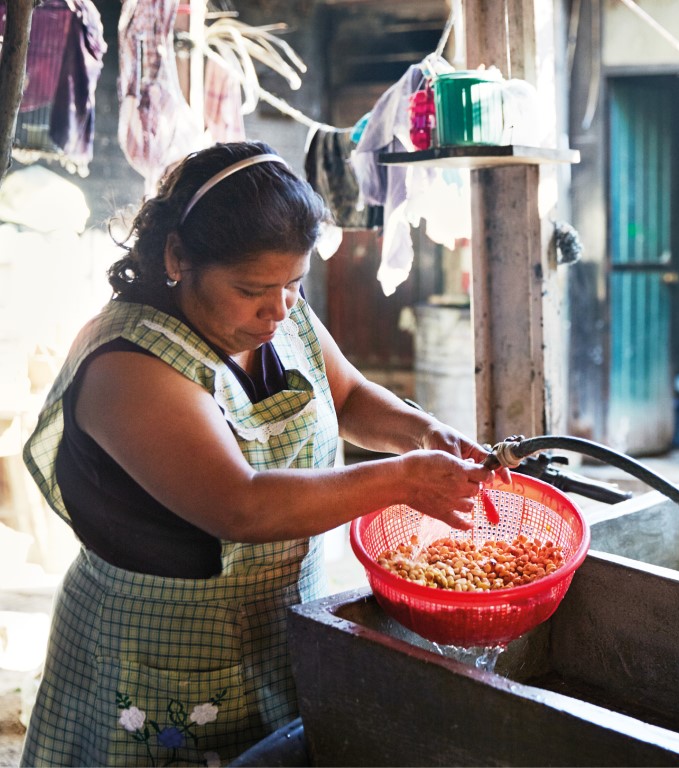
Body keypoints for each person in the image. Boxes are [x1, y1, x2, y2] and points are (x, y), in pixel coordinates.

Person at [20, 141, 500, 766]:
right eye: (252, 289)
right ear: (176, 258)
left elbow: (347, 394)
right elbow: (239, 505)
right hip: (158, 658)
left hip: (275, 626)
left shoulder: (278, 313)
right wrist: (406, 480)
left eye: (294, 284)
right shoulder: (128, 363)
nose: (277, 310)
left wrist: (424, 433)